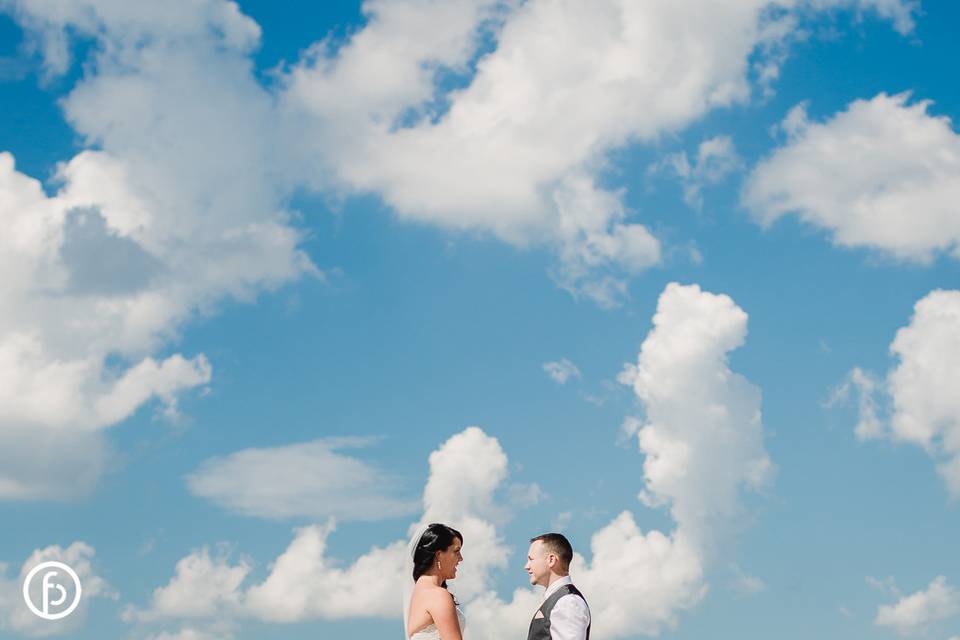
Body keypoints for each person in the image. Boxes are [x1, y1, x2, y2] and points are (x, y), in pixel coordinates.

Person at [524, 532, 591, 640]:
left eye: (531, 559)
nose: (526, 566)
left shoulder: (568, 603)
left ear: (551, 560)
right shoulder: (558, 601)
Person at [404, 523, 466, 640]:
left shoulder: (419, 592)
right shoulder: (438, 595)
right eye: (456, 551)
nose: (461, 558)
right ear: (438, 555)